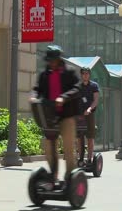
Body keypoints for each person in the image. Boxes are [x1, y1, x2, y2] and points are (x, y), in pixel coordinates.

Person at [30, 45, 81, 183]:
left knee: (68, 148)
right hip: (50, 115)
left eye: (53, 60)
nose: (51, 63)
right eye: (49, 60)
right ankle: (53, 176)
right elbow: (37, 89)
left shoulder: (70, 72)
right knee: (49, 147)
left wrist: (64, 97)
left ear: (59, 59)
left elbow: (77, 88)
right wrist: (34, 97)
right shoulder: (44, 74)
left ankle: (71, 179)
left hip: (67, 115)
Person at [77, 67, 100, 165]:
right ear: (81, 75)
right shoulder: (78, 87)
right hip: (79, 115)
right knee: (79, 136)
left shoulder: (94, 86)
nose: (85, 75)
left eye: (87, 73)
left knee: (90, 137)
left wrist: (90, 109)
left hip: (89, 114)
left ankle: (89, 159)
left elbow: (95, 100)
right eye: (83, 73)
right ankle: (81, 158)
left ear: (89, 75)